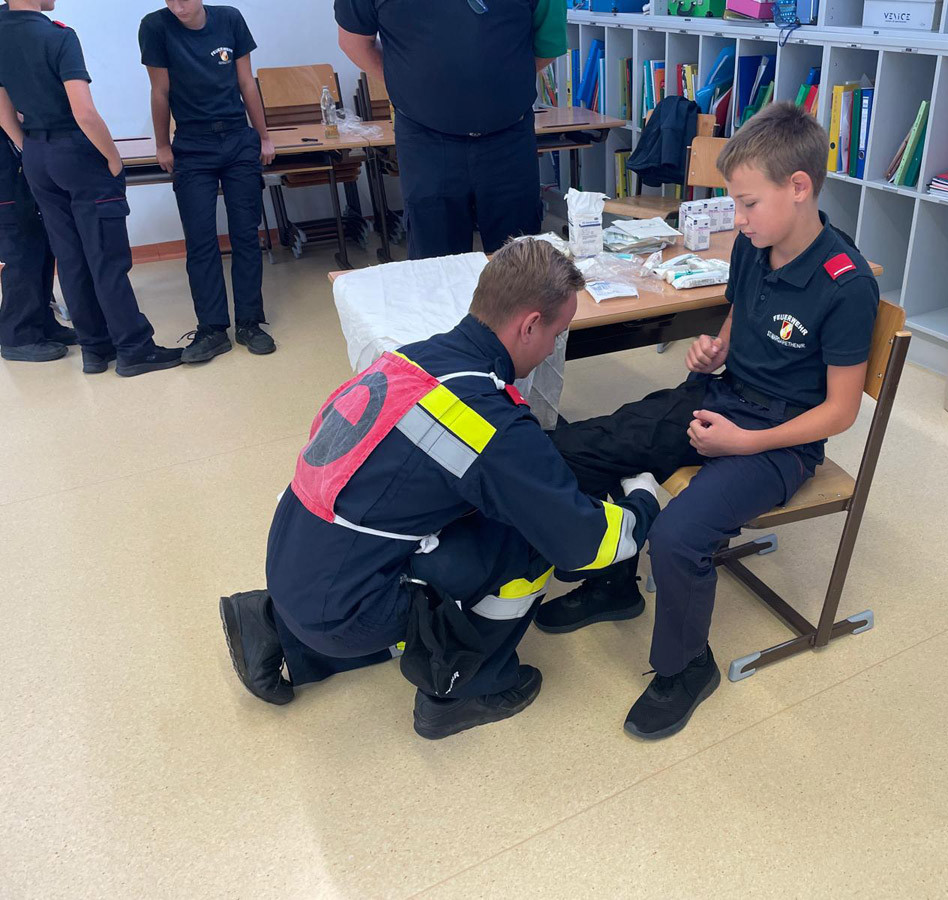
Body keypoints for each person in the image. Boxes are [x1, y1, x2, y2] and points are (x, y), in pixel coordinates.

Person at [220, 240, 660, 739]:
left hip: (294, 559)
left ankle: (271, 624)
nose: (552, 349)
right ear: (530, 325)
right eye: (557, 334)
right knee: (526, 538)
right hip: (341, 610)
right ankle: (468, 689)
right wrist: (643, 502)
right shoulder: (488, 419)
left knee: (455, 526)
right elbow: (582, 542)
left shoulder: (413, 358)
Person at [538, 104, 880, 740]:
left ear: (798, 187)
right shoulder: (756, 244)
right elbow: (740, 313)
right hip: (721, 397)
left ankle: (687, 668)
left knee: (679, 537)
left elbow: (840, 411)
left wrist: (747, 442)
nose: (738, 219)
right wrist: (717, 347)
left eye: (747, 203)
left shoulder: (846, 283)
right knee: (580, 450)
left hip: (780, 440)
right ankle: (614, 583)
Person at [0, 0, 182, 377]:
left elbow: (2, 105)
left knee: (69, 257)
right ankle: (134, 348)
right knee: (105, 257)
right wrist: (112, 158)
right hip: (75, 152)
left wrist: (26, 145)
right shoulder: (58, 36)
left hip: (36, 154)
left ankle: (95, 349)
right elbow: (83, 112)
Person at [333, 0, 567, 260]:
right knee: (435, 264)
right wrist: (411, 84)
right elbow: (354, 42)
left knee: (521, 265)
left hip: (509, 139)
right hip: (426, 142)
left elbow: (548, 44)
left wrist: (500, 80)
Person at [139, 0, 277, 363]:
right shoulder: (155, 26)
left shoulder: (229, 19)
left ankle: (249, 322)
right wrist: (162, 144)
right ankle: (212, 329)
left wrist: (263, 136)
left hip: (237, 138)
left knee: (245, 234)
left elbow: (246, 82)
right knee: (200, 240)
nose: (177, 6)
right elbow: (160, 91)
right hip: (192, 143)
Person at [0, 128, 78, 362]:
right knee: (21, 253)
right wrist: (29, 149)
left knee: (40, 247)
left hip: (14, 167)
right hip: (5, 176)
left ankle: (42, 323)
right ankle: (18, 335)